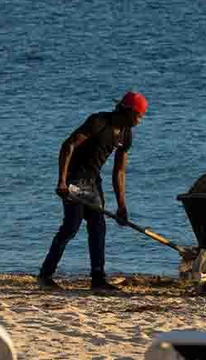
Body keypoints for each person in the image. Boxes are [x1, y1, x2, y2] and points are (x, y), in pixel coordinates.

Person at [37, 90, 147, 292]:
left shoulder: (126, 134)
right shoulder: (99, 121)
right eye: (140, 115)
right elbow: (68, 145)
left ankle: (98, 279)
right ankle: (45, 275)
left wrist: (122, 205)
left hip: (93, 182)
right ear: (129, 111)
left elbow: (119, 171)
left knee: (98, 228)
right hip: (74, 179)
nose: (141, 120)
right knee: (71, 226)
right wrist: (62, 181)